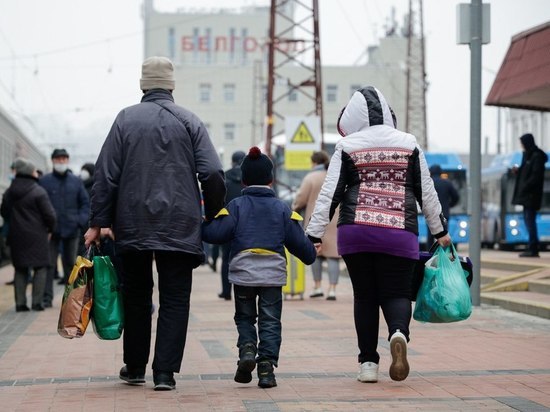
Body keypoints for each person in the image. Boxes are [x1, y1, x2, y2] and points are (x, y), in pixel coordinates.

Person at [84, 56, 226, 391]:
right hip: (179, 223)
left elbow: (105, 175)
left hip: (130, 222)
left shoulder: (125, 119)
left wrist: (98, 221)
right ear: (171, 85)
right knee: (175, 297)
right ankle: (164, 374)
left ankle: (134, 368)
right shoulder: (189, 120)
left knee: (135, 294)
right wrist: (213, 211)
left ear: (142, 85)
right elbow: (213, 172)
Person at [306, 86, 451, 383]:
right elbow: (427, 192)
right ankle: (398, 333)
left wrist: (313, 234)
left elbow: (329, 194)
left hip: (356, 232)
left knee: (366, 297)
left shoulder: (347, 146)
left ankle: (368, 364)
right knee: (397, 292)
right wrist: (440, 231)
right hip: (399, 232)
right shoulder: (409, 144)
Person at [202, 146, 317, 389]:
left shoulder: (236, 206)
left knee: (245, 317)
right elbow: (301, 247)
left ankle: (246, 350)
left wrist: (202, 224)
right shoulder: (282, 209)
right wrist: (310, 252)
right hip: (272, 277)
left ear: (243, 181)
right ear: (271, 179)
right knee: (270, 320)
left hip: (243, 275)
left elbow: (216, 234)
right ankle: (266, 369)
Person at [1, 158, 56, 312]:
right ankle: (37, 303)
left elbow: (4, 213)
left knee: (20, 269)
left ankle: (20, 303)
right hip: (38, 236)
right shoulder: (38, 191)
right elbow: (50, 215)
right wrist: (50, 229)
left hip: (16, 235)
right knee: (40, 267)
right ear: (29, 173)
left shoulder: (9, 192)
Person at [40, 148, 90, 305]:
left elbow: (85, 203)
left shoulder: (75, 181)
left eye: (64, 159)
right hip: (51, 230)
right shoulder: (45, 181)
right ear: (53, 161)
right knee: (49, 264)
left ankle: (70, 299)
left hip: (71, 229)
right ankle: (47, 298)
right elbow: (39, 205)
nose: (61, 162)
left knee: (70, 264)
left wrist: (79, 221)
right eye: (58, 159)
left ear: (67, 160)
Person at [293, 150, 341, 300]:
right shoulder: (335, 175)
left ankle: (317, 286)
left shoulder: (311, 177)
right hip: (335, 219)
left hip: (315, 219)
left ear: (314, 162)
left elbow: (300, 199)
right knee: (333, 256)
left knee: (316, 254)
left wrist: (294, 208)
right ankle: (332, 289)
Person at [512, 133, 548, 258]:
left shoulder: (536, 157)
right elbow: (526, 173)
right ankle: (531, 247)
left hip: (531, 196)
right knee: (528, 221)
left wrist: (525, 187)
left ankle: (533, 248)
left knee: (530, 221)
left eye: (522, 143)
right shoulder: (528, 156)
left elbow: (534, 177)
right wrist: (518, 171)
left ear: (527, 143)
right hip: (527, 196)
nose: (521, 146)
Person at [218, 149, 246, 300]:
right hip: (246, 224)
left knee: (226, 258)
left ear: (232, 161)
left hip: (227, 223)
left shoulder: (224, 176)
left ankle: (226, 291)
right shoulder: (248, 177)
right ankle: (242, 291)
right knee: (243, 257)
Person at [426, 164, 459, 248]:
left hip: (430, 213)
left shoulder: (428, 183)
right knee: (444, 235)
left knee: (430, 236)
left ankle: (430, 255)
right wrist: (450, 205)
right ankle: (443, 255)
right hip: (444, 214)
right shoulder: (447, 183)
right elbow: (456, 197)